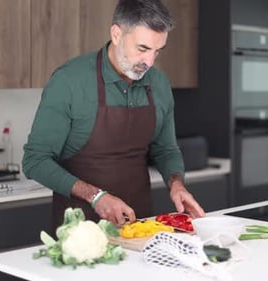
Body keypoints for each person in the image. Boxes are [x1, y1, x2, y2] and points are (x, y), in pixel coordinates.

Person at [22, 0, 205, 230]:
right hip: (79, 231)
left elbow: (165, 149)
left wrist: (176, 184)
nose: (150, 62)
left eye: (157, 51)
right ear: (116, 34)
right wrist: (96, 196)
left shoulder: (158, 84)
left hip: (139, 227)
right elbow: (34, 161)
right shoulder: (69, 81)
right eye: (143, 49)